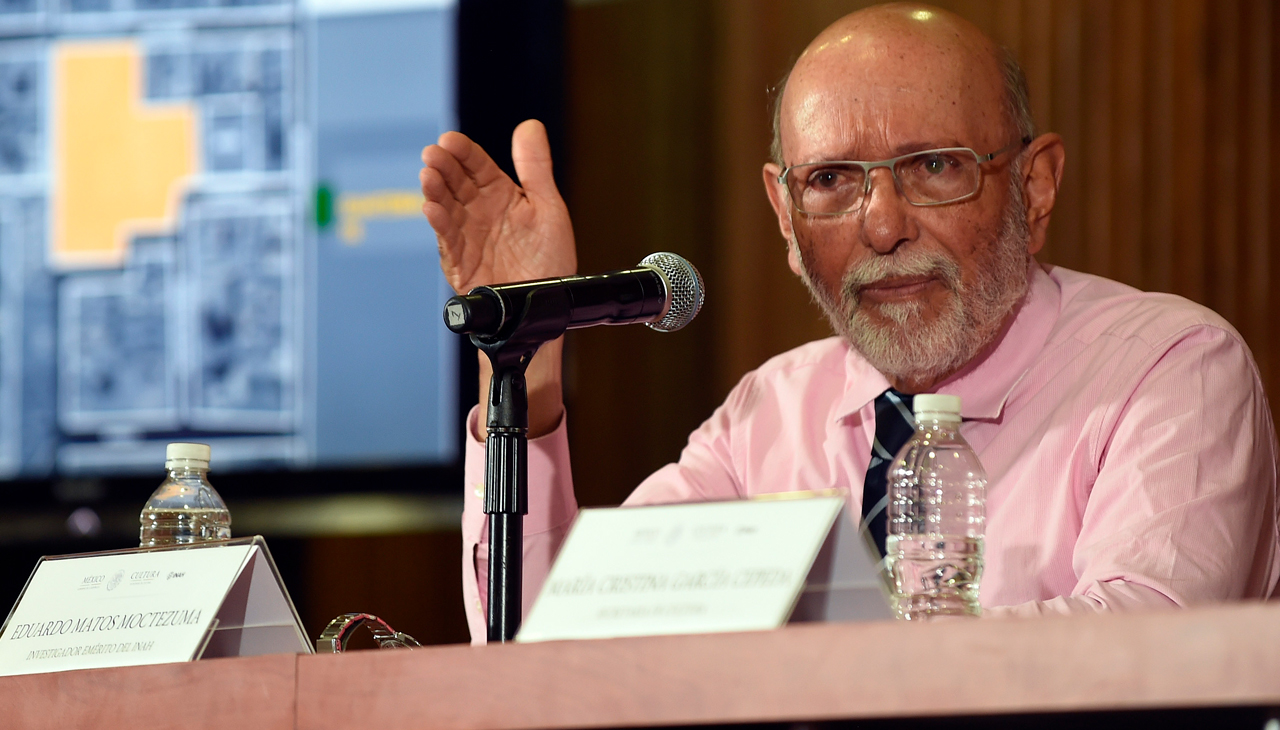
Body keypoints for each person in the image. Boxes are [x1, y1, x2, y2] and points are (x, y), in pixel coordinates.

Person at [420, 3, 1279, 643]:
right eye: (831, 179)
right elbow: (557, 647)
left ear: (1034, 186)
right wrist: (522, 365)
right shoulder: (768, 415)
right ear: (785, 218)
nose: (882, 225)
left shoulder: (1170, 368)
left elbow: (1142, 653)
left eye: (935, 166)